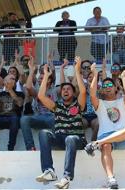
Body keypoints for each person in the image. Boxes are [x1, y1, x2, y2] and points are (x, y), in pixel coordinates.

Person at [35, 57, 87, 189]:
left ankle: (66, 177)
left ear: (73, 93)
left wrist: (77, 70)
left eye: (69, 89)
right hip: (60, 139)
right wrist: (46, 76)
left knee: (70, 138)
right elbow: (41, 96)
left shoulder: (78, 105)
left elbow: (83, 91)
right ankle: (49, 171)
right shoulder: (56, 106)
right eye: (63, 89)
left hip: (77, 140)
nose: (65, 90)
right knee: (44, 133)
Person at [84, 66, 125, 189]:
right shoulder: (99, 104)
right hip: (106, 138)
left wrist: (123, 76)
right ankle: (111, 179)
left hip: (122, 138)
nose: (107, 88)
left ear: (116, 88)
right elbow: (92, 94)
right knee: (106, 146)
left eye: (109, 85)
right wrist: (95, 74)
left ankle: (97, 143)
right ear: (101, 90)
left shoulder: (123, 101)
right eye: (105, 86)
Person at [20, 57, 57, 150]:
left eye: (42, 78)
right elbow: (28, 87)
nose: (40, 80)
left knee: (56, 119)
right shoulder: (37, 91)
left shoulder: (55, 90)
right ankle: (30, 147)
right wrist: (31, 71)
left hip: (51, 117)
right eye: (40, 78)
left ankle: (56, 145)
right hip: (38, 117)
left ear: (49, 80)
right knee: (24, 119)